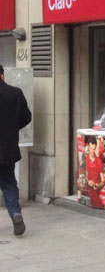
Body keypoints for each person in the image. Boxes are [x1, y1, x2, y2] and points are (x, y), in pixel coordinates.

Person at [0, 65, 32, 236]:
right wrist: (12, 128)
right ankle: (15, 213)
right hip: (8, 148)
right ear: (2, 76)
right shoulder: (15, 93)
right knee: (8, 182)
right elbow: (27, 117)